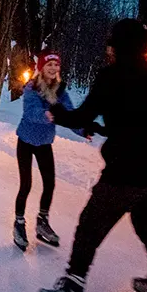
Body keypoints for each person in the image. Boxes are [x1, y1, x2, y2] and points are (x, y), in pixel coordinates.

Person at [36, 19, 147, 292]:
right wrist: (104, 127)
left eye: (111, 42)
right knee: (143, 220)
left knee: (90, 224)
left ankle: (71, 291)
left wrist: (58, 112)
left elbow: (84, 113)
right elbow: (142, 120)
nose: (108, 48)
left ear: (119, 45)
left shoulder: (111, 76)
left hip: (129, 167)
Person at [13, 50, 95, 251]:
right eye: (49, 64)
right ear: (41, 67)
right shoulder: (31, 88)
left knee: (49, 184)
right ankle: (19, 223)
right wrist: (48, 114)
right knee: (26, 185)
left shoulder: (61, 92)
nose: (53, 68)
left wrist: (82, 129)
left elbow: (69, 115)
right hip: (26, 141)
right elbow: (31, 113)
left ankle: (42, 222)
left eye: (56, 65)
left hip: (44, 143)